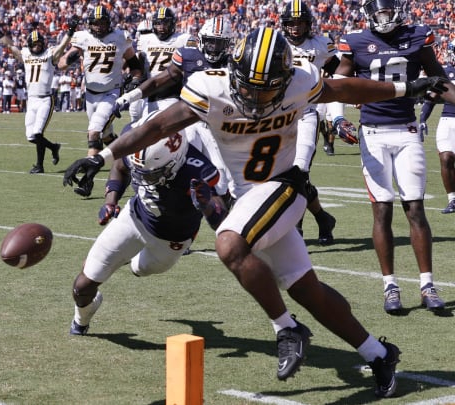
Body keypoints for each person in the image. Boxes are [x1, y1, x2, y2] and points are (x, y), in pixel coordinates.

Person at [64, 27, 448, 397]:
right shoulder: (210, 88)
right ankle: (379, 355)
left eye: (268, 90)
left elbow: (344, 88)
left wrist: (404, 88)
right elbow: (158, 125)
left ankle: (286, 329)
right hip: (248, 195)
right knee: (306, 290)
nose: (259, 99)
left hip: (284, 185)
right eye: (250, 87)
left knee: (229, 244)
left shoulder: (300, 80)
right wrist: (102, 156)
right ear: (233, 71)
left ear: (286, 78)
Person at [331, 0, 455, 314]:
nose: (383, 19)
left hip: (407, 130)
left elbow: (438, 79)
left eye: (386, 13)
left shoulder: (417, 35)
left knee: (415, 208)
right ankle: (391, 287)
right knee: (382, 210)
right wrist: (336, 119)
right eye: (377, 15)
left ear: (396, 12)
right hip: (372, 133)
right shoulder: (356, 40)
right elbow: (338, 86)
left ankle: (427, 285)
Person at [70, 111, 226, 335]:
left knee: (139, 269)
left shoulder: (200, 170)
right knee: (83, 286)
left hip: (173, 240)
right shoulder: (136, 139)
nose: (143, 177)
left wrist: (207, 205)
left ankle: (124, 258)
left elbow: (223, 219)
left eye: (152, 173)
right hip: (135, 217)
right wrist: (111, 200)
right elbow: (121, 167)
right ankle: (81, 320)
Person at [115, 15, 235, 197]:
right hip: (190, 121)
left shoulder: (233, 63)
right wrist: (130, 96)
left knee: (222, 180)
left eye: (219, 43)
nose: (214, 47)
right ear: (202, 39)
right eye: (211, 42)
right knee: (176, 162)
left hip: (217, 126)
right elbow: (158, 81)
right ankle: (152, 194)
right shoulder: (188, 56)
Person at [57, 5, 144, 196]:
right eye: (95, 23)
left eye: (102, 22)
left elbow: (135, 64)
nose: (99, 27)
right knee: (105, 136)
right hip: (90, 94)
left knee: (94, 132)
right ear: (90, 24)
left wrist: (136, 79)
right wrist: (68, 59)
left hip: (111, 93)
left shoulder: (120, 37)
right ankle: (130, 157)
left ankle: (87, 181)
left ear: (109, 23)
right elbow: (62, 63)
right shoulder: (82, 38)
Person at [280, 0, 339, 245]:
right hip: (279, 117)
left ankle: (297, 230)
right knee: (287, 176)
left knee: (299, 173)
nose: (295, 28)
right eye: (291, 23)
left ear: (308, 24)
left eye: (300, 23)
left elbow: (340, 69)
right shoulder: (276, 43)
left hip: (306, 114)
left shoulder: (321, 44)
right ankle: (323, 218)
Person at [0, 17, 78, 173]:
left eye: (39, 44)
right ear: (30, 45)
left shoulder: (50, 54)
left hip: (45, 99)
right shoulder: (26, 55)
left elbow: (63, 45)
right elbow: (10, 46)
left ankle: (39, 165)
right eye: (34, 44)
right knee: (31, 136)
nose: (37, 46)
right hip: (32, 100)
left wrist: (70, 31)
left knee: (38, 133)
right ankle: (54, 147)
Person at [128, 7, 194, 119]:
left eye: (165, 24)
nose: (161, 27)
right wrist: (136, 78)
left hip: (171, 92)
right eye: (158, 24)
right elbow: (140, 62)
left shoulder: (184, 39)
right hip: (150, 92)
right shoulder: (146, 39)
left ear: (172, 24)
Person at [419, 46, 455, 214]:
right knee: (446, 158)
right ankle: (452, 199)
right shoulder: (446, 71)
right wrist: (422, 118)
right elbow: (433, 95)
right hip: (447, 119)